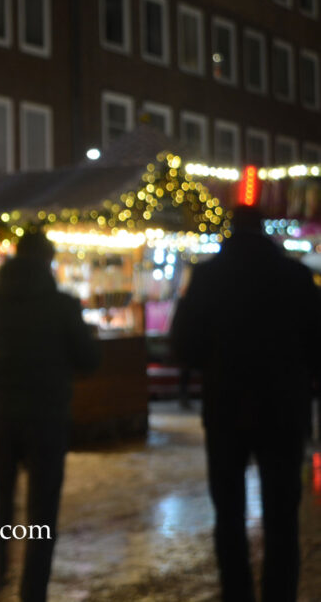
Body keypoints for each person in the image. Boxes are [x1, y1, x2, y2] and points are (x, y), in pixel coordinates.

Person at [170, 206, 321, 602]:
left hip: (225, 409)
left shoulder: (206, 278)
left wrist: (215, 361)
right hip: (284, 411)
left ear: (230, 231)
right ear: (265, 231)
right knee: (282, 519)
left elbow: (182, 346)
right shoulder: (296, 277)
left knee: (230, 518)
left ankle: (237, 594)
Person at [0, 230, 98, 598]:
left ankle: (0, 573)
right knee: (42, 506)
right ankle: (33, 588)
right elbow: (88, 359)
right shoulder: (63, 305)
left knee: (3, 497)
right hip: (47, 416)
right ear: (48, 261)